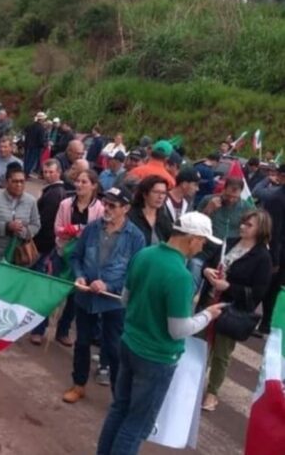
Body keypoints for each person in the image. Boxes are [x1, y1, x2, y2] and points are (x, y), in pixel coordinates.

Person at [96, 213, 226, 455]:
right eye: (202, 242)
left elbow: (125, 299)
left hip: (130, 342)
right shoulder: (180, 275)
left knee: (119, 409)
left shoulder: (144, 254)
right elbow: (178, 330)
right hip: (156, 357)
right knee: (136, 424)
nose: (202, 248)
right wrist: (207, 315)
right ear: (192, 238)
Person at [62, 186, 145, 404]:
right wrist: (80, 276)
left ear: (125, 208)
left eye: (112, 205)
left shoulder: (136, 237)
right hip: (86, 298)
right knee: (82, 343)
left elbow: (135, 274)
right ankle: (78, 385)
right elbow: (76, 258)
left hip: (114, 303)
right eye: (105, 203)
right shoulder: (91, 228)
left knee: (114, 348)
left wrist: (108, 285)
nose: (106, 208)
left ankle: (119, 397)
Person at [199, 209, 272, 411]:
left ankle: (212, 392)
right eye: (243, 223)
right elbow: (208, 262)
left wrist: (229, 287)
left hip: (231, 310)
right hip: (209, 301)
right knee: (198, 344)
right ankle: (193, 383)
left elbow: (258, 293)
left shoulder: (262, 257)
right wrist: (206, 270)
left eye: (249, 225)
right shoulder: (228, 242)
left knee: (221, 353)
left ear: (260, 229)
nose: (243, 227)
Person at [35, 170, 105, 346]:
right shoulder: (66, 203)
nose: (79, 185)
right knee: (51, 291)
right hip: (62, 253)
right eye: (78, 181)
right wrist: (69, 230)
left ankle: (63, 330)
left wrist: (79, 230)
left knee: (75, 297)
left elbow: (98, 234)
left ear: (93, 186)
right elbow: (57, 228)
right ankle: (38, 329)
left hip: (83, 260)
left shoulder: (99, 209)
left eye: (84, 182)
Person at [0, 163, 41, 258]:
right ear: (7, 182)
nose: (19, 185)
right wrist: (7, 227)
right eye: (15, 181)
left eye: (22, 182)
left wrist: (23, 231)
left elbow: (36, 225)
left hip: (20, 254)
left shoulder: (31, 201)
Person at [259, 164, 285, 336]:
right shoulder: (277, 198)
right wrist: (274, 257)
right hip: (277, 252)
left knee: (275, 288)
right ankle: (264, 322)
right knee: (269, 287)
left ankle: (268, 323)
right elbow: (273, 231)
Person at [128, 176, 173, 246]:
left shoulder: (164, 219)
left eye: (163, 193)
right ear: (145, 194)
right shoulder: (131, 216)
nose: (160, 197)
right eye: (156, 192)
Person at [24, 111, 47, 176]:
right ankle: (27, 172)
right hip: (36, 146)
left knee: (27, 159)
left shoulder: (31, 126)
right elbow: (41, 139)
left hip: (28, 145)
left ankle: (25, 171)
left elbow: (26, 131)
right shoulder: (41, 128)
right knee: (32, 160)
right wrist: (44, 145)